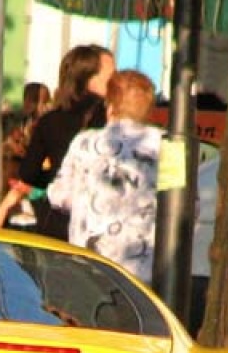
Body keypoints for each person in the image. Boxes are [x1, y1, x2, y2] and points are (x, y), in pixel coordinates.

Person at [45, 69, 162, 283]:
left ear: (110, 106)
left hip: (90, 266)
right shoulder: (171, 146)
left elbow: (58, 194)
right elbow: (188, 206)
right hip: (147, 270)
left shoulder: (85, 142)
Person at [0, 43, 115, 238]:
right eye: (110, 77)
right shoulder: (109, 119)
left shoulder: (50, 120)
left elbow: (28, 172)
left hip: (58, 219)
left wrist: (53, 175)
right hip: (100, 217)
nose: (115, 83)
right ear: (89, 79)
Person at [0, 81, 51, 228]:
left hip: (31, 184)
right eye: (30, 99)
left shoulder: (46, 124)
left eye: (38, 100)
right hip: (14, 179)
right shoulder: (16, 120)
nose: (33, 105)